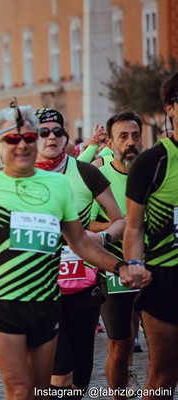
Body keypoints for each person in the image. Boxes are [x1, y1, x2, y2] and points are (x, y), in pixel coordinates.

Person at [0, 104, 150, 400]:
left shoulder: (57, 185)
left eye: (29, 138)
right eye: (12, 139)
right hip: (1, 301)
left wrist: (121, 267)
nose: (22, 144)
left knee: (45, 390)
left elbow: (80, 242)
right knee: (20, 391)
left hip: (45, 302)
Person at [34, 107, 126, 396]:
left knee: (81, 375)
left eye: (57, 131)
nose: (51, 137)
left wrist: (103, 239)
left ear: (66, 136)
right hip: (40, 288)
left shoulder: (86, 172)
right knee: (58, 371)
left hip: (83, 284)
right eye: (43, 132)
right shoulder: (20, 177)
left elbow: (120, 219)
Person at [123, 72, 178, 399]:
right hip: (165, 278)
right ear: (169, 108)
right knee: (164, 374)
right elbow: (133, 226)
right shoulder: (152, 162)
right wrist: (133, 264)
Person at [88, 110, 145, 399]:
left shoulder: (152, 172)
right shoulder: (98, 176)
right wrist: (117, 225)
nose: (130, 142)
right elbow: (84, 223)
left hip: (154, 268)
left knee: (164, 346)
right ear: (110, 143)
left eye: (135, 136)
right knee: (120, 346)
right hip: (112, 269)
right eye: (123, 137)